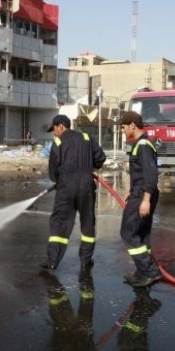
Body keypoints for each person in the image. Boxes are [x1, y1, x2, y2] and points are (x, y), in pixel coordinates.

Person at [40, 114, 106, 271]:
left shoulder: (58, 141)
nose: (54, 133)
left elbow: (53, 171)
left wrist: (59, 181)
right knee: (88, 224)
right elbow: (100, 158)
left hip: (66, 189)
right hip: (86, 187)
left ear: (61, 126)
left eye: (54, 129)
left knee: (60, 223)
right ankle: (85, 261)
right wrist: (89, 167)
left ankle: (53, 261)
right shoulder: (87, 137)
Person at [117, 111, 162, 288]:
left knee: (128, 233)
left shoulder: (143, 145)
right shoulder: (140, 143)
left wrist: (145, 199)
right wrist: (132, 191)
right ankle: (143, 271)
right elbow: (141, 173)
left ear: (132, 125)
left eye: (123, 126)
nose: (122, 130)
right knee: (141, 233)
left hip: (143, 195)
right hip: (140, 193)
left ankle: (150, 271)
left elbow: (151, 175)